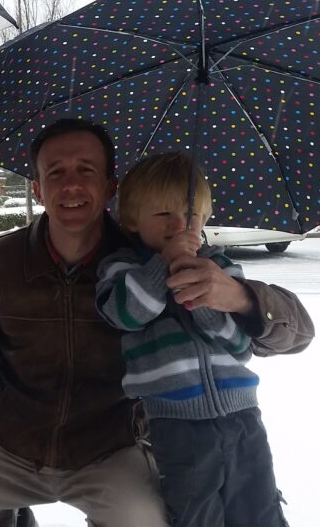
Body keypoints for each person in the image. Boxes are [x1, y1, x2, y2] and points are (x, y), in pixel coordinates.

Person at [0, 118, 314, 527]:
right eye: (55, 172)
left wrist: (239, 297)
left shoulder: (152, 256)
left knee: (144, 519)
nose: (71, 184)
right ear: (38, 189)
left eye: (86, 170)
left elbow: (296, 333)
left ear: (109, 187)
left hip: (109, 450)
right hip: (11, 443)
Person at [95, 151, 288, 526]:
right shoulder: (120, 267)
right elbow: (124, 316)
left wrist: (206, 299)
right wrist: (162, 267)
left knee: (259, 509)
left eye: (192, 215)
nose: (180, 225)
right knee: (196, 514)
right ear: (131, 219)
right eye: (164, 214)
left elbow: (240, 347)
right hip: (175, 424)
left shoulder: (220, 267)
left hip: (243, 415)